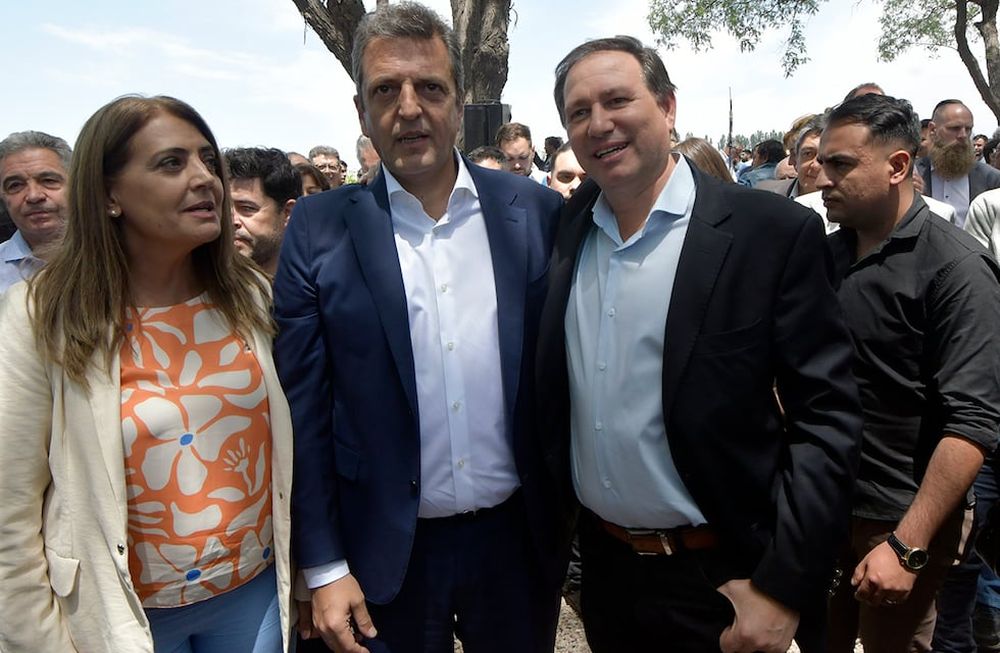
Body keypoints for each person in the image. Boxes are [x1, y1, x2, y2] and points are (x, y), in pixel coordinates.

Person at [538, 35, 862, 653]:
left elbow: (828, 420)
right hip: (608, 578)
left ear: (667, 106)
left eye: (616, 100)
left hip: (728, 581)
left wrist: (784, 586)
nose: (598, 124)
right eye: (579, 112)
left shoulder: (769, 233)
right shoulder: (565, 231)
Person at [273, 4, 566, 653]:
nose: (409, 108)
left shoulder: (537, 212)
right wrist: (321, 565)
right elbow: (305, 412)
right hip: (379, 554)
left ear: (460, 104)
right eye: (386, 90)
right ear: (361, 111)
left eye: (430, 87)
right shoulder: (318, 229)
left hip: (516, 546)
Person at [0, 95, 295, 653]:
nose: (205, 178)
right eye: (171, 163)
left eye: (209, 161)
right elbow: (9, 516)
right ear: (109, 194)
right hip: (121, 618)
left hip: (251, 598)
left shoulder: (248, 295)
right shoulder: (39, 317)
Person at [818, 93, 1000, 653]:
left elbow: (972, 423)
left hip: (901, 517)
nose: (824, 178)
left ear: (898, 167)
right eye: (823, 163)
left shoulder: (957, 269)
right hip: (824, 509)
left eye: (841, 165)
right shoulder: (823, 257)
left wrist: (908, 545)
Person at [0, 130, 71, 293]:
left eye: (48, 181)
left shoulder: (119, 257)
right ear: (2, 197)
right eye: (15, 185)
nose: (33, 196)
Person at [915, 99, 1000, 227]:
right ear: (933, 130)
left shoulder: (991, 178)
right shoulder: (913, 174)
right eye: (954, 128)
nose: (963, 135)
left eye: (968, 129)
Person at [227, 147, 301, 275]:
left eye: (247, 208)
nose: (232, 221)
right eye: (223, 209)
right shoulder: (190, 288)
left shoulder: (317, 288)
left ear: (288, 213)